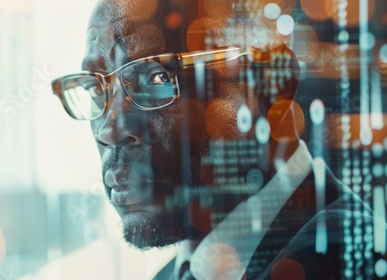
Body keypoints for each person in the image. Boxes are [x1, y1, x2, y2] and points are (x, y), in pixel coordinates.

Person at [52, 0, 381, 279]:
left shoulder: (348, 260)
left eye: (157, 78)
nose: (108, 130)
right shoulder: (173, 272)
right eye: (96, 89)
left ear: (271, 84)